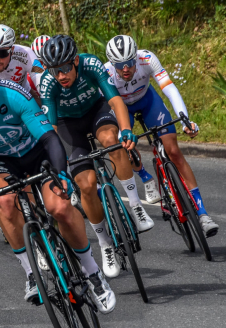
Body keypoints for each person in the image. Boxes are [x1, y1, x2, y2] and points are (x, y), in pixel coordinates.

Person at [0, 58, 115, 313]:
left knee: (58, 207)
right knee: (2, 202)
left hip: (38, 151)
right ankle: (30, 272)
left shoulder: (13, 96)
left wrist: (61, 176)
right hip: (1, 160)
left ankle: (93, 272)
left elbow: (50, 138)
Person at [38, 35, 154, 279]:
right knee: (87, 185)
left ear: (76, 61)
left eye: (65, 68)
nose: (61, 76)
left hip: (96, 112)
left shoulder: (91, 64)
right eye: (55, 70)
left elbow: (114, 99)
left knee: (113, 141)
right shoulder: (48, 83)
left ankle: (136, 207)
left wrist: (126, 130)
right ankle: (105, 244)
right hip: (69, 125)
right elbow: (51, 131)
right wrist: (58, 166)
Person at [104, 35, 219, 237]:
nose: (125, 69)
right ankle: (145, 177)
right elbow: (110, 105)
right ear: (113, 64)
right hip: (123, 109)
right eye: (120, 65)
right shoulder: (105, 73)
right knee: (126, 147)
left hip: (148, 101)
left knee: (173, 150)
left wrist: (185, 119)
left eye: (130, 63)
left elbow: (169, 88)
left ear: (135, 57)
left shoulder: (146, 58)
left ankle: (202, 214)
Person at [0, 24, 37, 94]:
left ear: (12, 50)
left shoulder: (26, 53)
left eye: (2, 53)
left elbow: (41, 79)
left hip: (24, 95)